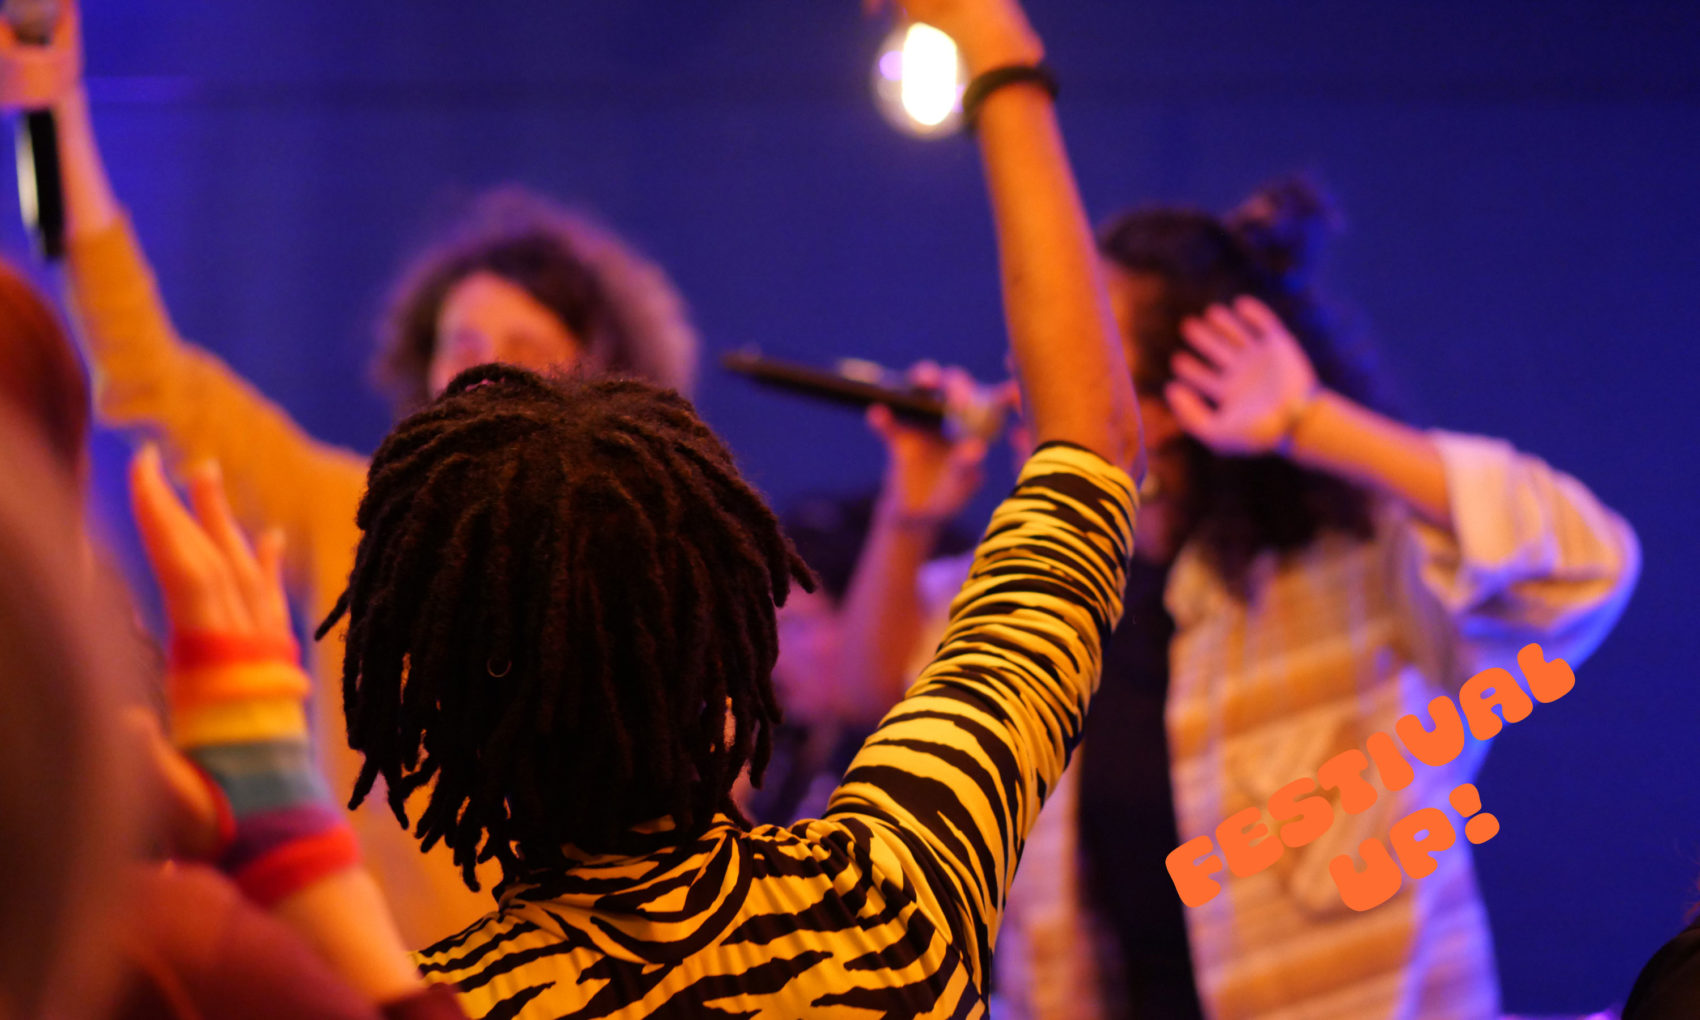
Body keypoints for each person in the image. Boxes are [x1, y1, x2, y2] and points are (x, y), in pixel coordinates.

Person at [322, 0, 1145, 1013]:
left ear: (421, 707)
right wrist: (1002, 66)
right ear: (728, 659)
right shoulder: (886, 901)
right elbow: (1091, 449)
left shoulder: (458, 1006)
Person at [0, 1, 699, 945]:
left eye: (524, 345)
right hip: (375, 975)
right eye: (462, 340)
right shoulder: (348, 510)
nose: (483, 366)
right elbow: (149, 375)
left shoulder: (636, 556)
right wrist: (60, 114)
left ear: (596, 377)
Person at [983, 178, 1641, 1019]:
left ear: (1179, 401)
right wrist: (910, 509)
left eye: (1072, 353)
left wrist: (1308, 420)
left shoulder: (1362, 574)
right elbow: (866, 696)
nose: (1024, 380)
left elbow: (1588, 562)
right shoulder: (1056, 603)